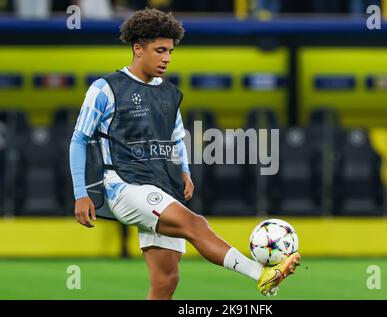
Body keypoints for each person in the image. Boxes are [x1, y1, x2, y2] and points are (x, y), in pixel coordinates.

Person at [69, 8, 300, 300]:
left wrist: (185, 171)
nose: (167, 58)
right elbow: (79, 140)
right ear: (137, 49)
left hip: (162, 185)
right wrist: (81, 192)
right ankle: (262, 274)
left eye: (171, 51)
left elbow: (176, 138)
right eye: (160, 50)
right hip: (124, 186)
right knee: (196, 224)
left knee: (166, 281)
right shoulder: (105, 89)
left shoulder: (168, 93)